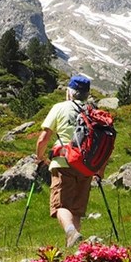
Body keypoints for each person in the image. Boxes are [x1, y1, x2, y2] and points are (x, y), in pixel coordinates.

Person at [36, 74, 95, 248]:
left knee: (60, 205)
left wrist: (40, 157)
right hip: (86, 166)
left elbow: (43, 138)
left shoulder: (60, 107)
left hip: (63, 162)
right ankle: (76, 247)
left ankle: (71, 232)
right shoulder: (92, 111)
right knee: (76, 209)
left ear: (70, 92)